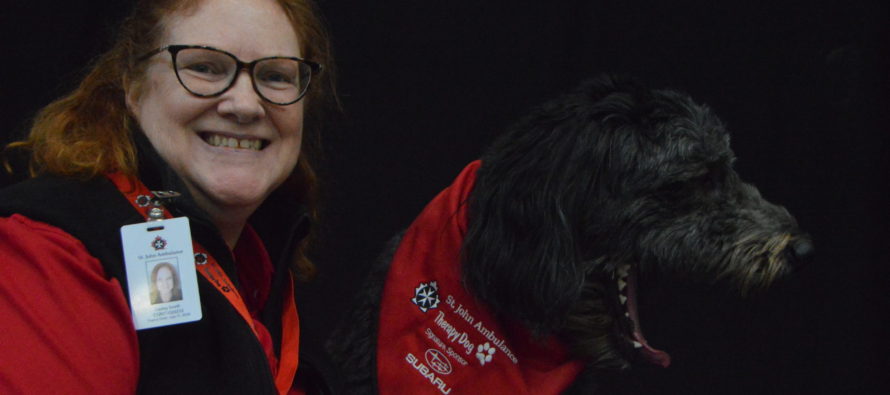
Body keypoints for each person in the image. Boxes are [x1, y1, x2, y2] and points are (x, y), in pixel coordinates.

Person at [0, 0, 338, 393]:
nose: (245, 105)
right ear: (133, 85)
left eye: (276, 76)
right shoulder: (48, 252)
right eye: (204, 68)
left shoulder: (260, 271)